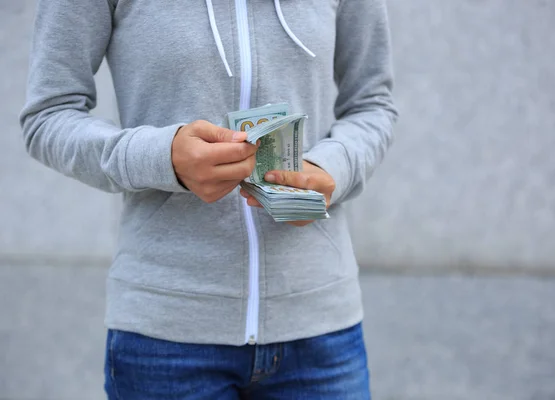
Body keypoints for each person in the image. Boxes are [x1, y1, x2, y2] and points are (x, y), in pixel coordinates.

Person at [20, 0, 397, 398]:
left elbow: (372, 104)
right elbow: (49, 114)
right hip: (166, 337)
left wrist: (332, 170)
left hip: (320, 330)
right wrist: (162, 156)